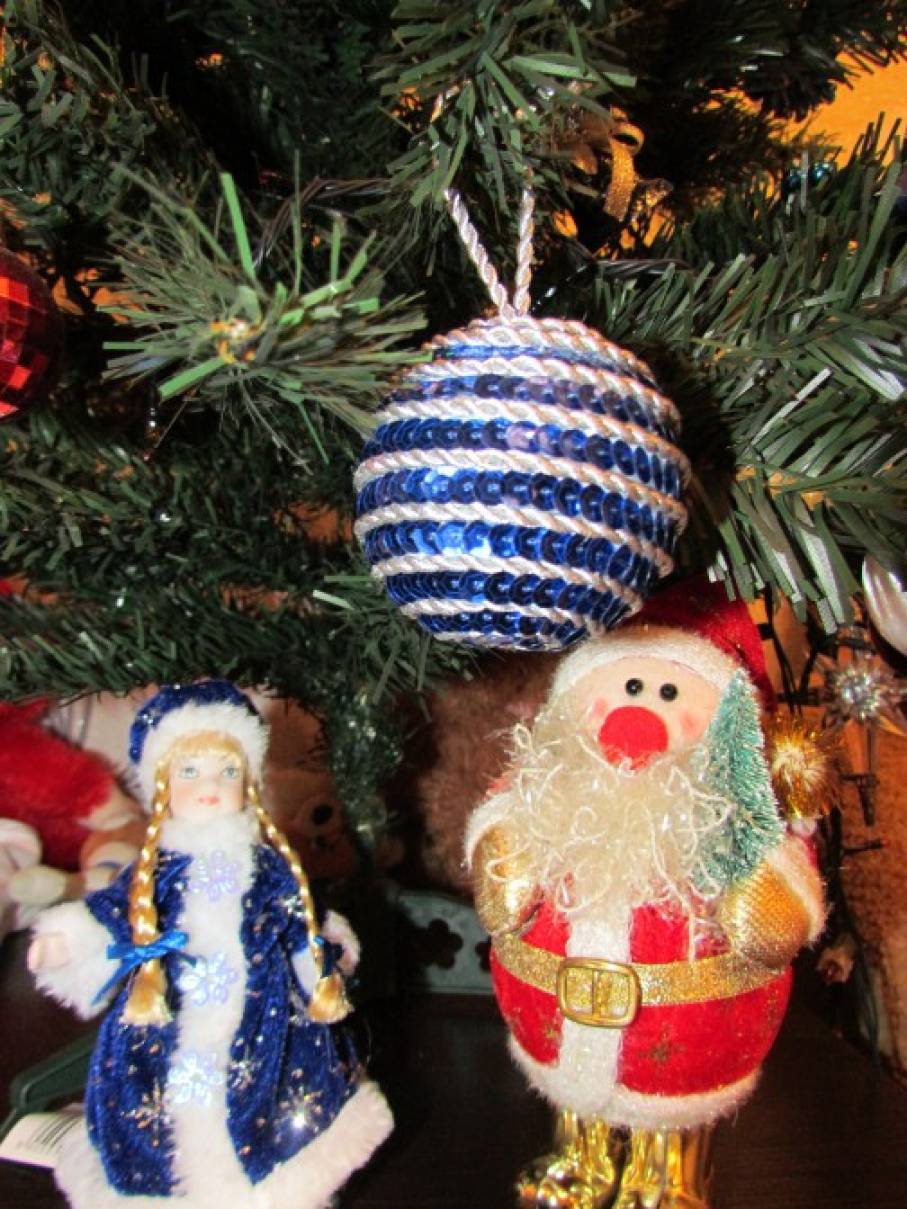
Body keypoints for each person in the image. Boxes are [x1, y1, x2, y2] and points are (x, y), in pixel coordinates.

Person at [467, 589, 825, 1209]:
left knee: (673, 1113)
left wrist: (767, 906)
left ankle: (669, 1181)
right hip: (554, 1024)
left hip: (686, 1046)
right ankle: (581, 1160)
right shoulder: (552, 795)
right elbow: (503, 828)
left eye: (667, 692)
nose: (639, 715)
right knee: (575, 1099)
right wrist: (503, 858)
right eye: (628, 686)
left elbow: (784, 886)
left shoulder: (736, 821)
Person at [28, 680, 392, 1209]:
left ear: (247, 780)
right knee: (157, 1126)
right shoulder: (153, 874)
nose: (209, 787)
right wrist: (66, 942)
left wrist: (322, 960)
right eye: (190, 772)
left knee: (281, 1122)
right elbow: (109, 914)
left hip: (264, 1028)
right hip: (164, 1025)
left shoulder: (269, 868)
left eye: (226, 772)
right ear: (162, 783)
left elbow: (299, 920)